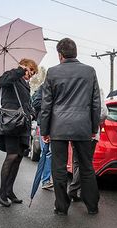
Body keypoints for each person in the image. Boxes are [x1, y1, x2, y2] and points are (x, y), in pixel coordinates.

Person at [40, 38, 101, 215]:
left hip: (58, 127)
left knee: (58, 168)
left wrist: (45, 130)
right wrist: (93, 128)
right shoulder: (90, 71)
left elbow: (46, 105)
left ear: (60, 54)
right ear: (75, 52)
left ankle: (61, 206)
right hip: (82, 126)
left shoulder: (52, 73)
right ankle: (92, 206)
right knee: (86, 167)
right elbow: (95, 103)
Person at [0, 58, 38, 207]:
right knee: (11, 155)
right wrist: (20, 70)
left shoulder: (26, 85)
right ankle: (1, 191)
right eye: (30, 70)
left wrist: (32, 114)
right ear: (23, 66)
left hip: (22, 125)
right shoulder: (11, 76)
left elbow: (27, 104)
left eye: (33, 73)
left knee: (18, 157)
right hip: (11, 123)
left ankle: (9, 191)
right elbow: (2, 81)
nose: (31, 74)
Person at [68, 100, 107, 201]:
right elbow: (103, 113)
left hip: (75, 131)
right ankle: (73, 189)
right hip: (90, 133)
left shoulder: (74, 87)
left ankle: (80, 192)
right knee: (85, 163)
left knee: (77, 162)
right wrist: (94, 124)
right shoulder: (96, 88)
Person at [31, 86, 53, 190]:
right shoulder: (43, 88)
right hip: (44, 123)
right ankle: (45, 180)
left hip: (56, 124)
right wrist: (49, 104)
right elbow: (36, 103)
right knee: (47, 152)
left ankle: (49, 179)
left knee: (52, 153)